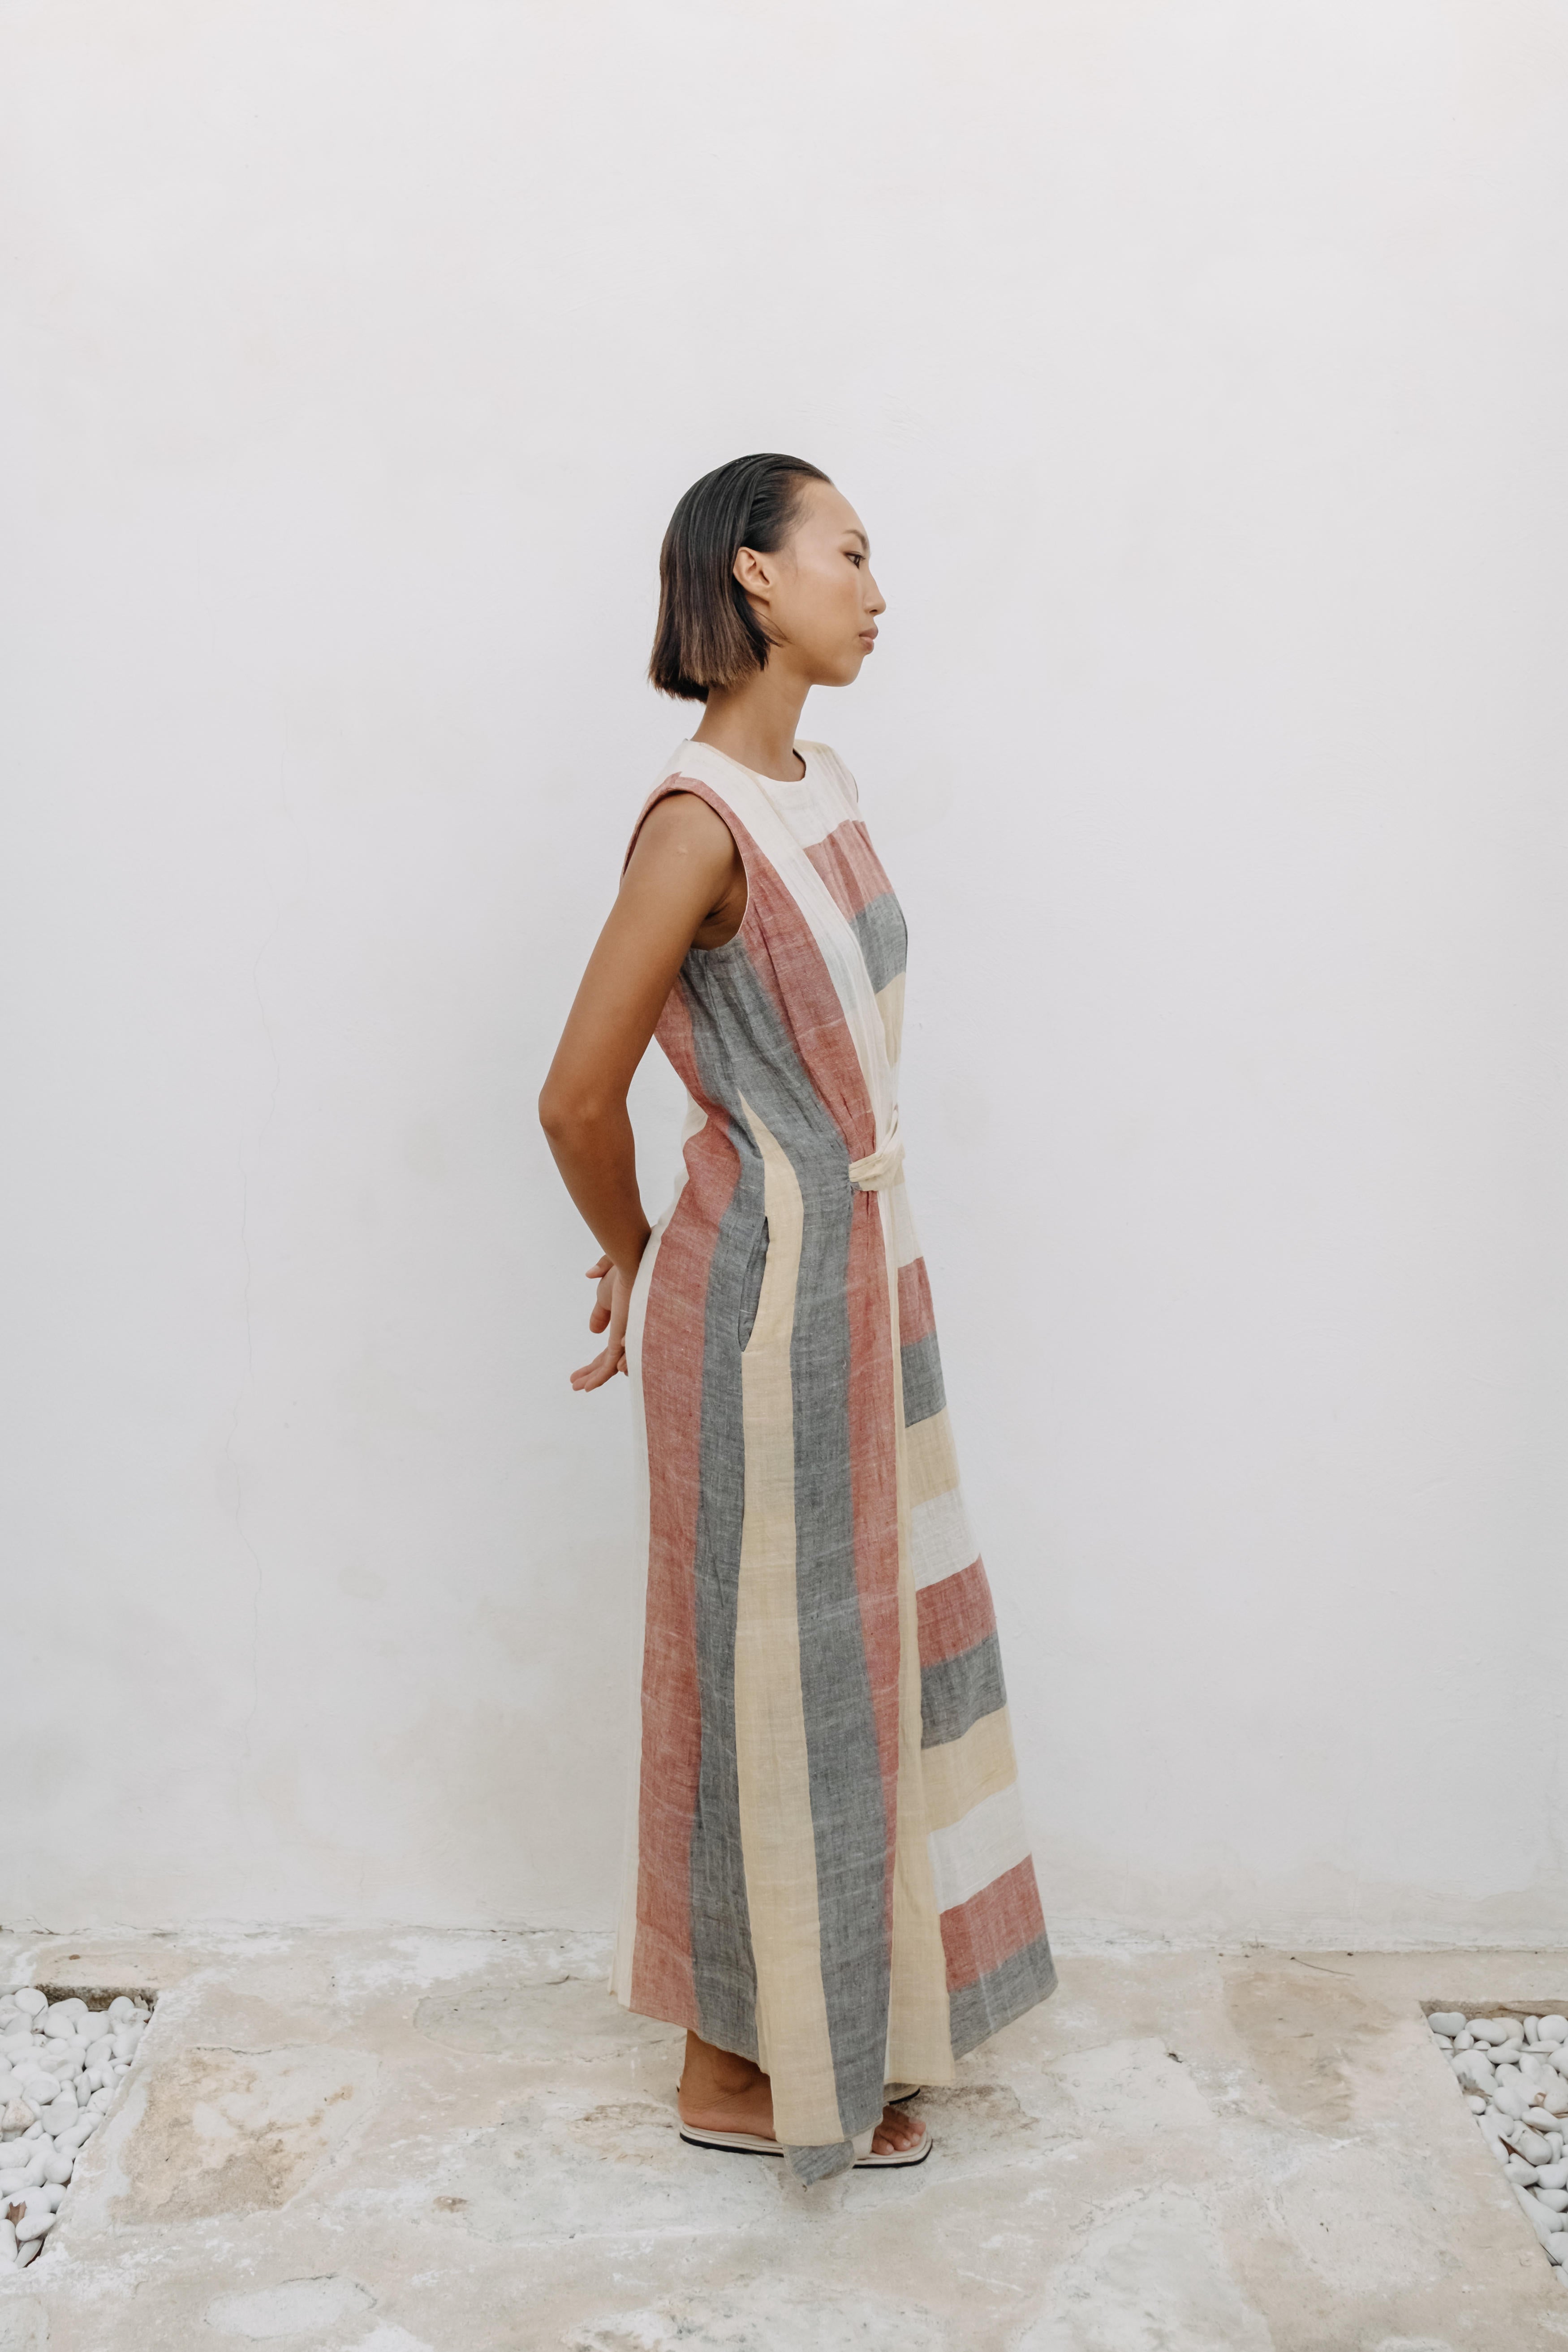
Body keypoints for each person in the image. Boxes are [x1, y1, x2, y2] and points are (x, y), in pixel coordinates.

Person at [539, 454, 1055, 2181]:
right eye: (849, 553)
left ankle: (827, 2028)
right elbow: (573, 1097)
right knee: (763, 1671)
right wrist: (633, 1251)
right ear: (754, 577)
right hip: (761, 1308)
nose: (876, 590)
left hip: (860, 1275)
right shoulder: (696, 823)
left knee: (851, 1664)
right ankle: (729, 2069)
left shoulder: (815, 780)